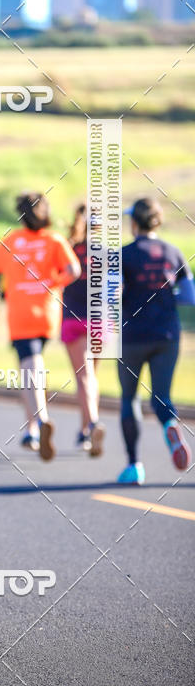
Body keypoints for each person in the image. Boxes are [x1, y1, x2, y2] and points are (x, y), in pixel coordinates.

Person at [0, 193, 81, 461]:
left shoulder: (13, 240)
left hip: (21, 313)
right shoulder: (54, 239)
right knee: (29, 366)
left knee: (31, 364)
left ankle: (40, 421)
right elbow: (73, 270)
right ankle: (31, 430)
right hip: (48, 313)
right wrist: (52, 283)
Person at [117, 198, 194, 486]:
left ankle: (134, 466)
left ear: (134, 222)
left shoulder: (123, 255)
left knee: (129, 398)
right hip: (168, 335)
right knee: (162, 396)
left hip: (132, 336)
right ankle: (171, 425)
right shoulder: (174, 252)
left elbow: (111, 296)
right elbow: (189, 297)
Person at [61, 204, 105, 456]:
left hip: (74, 320)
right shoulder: (107, 253)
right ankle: (85, 429)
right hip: (100, 321)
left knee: (84, 378)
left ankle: (93, 423)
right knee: (92, 378)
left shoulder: (69, 248)